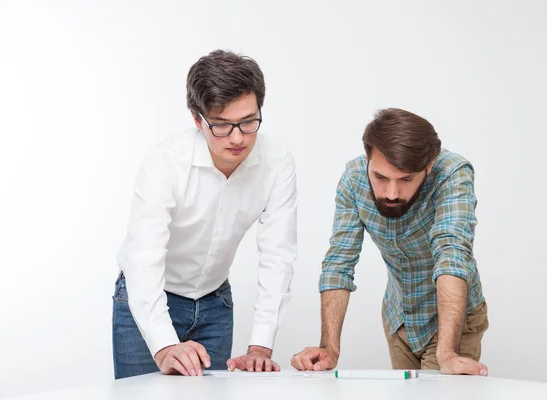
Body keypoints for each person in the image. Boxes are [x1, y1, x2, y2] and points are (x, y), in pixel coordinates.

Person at [112, 50, 297, 379]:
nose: (238, 138)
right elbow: (143, 257)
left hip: (215, 305)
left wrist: (260, 346)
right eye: (222, 125)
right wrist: (165, 345)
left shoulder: (277, 162)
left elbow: (277, 254)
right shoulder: (165, 162)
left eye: (248, 121)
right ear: (198, 119)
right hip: (148, 297)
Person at [291, 108, 489, 375]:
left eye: (406, 179)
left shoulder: (452, 173)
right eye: (381, 178)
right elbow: (339, 263)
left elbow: (452, 255)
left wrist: (448, 353)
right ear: (368, 159)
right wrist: (329, 348)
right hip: (399, 317)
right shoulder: (354, 178)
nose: (392, 193)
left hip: (454, 321)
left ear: (429, 166)